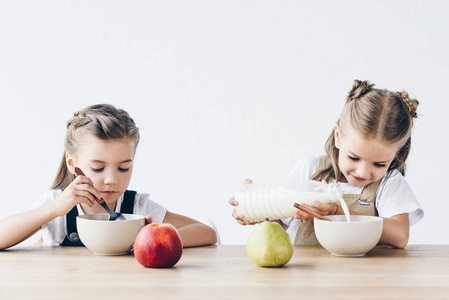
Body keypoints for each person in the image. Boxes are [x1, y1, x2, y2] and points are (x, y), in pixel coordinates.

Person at [230, 80, 423, 248]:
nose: (363, 172)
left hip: (365, 282)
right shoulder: (310, 170)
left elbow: (399, 236)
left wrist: (336, 211)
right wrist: (257, 208)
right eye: (354, 158)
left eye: (379, 164)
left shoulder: (389, 183)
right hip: (308, 282)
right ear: (338, 137)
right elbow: (280, 224)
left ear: (396, 153)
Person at [0, 104, 217, 250]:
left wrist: (148, 239)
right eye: (98, 168)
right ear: (72, 163)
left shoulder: (137, 208)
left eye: (123, 168)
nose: (112, 179)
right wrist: (54, 209)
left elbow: (207, 233)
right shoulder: (57, 206)